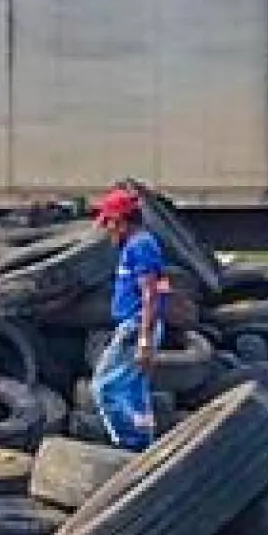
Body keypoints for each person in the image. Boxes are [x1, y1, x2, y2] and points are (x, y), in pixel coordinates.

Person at [90, 186, 168, 450]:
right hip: (136, 325)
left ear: (121, 221)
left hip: (136, 327)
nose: (107, 229)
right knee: (135, 392)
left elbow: (151, 293)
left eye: (109, 223)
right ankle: (144, 444)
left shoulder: (141, 246)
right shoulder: (136, 246)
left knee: (104, 387)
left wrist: (144, 338)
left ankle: (128, 445)